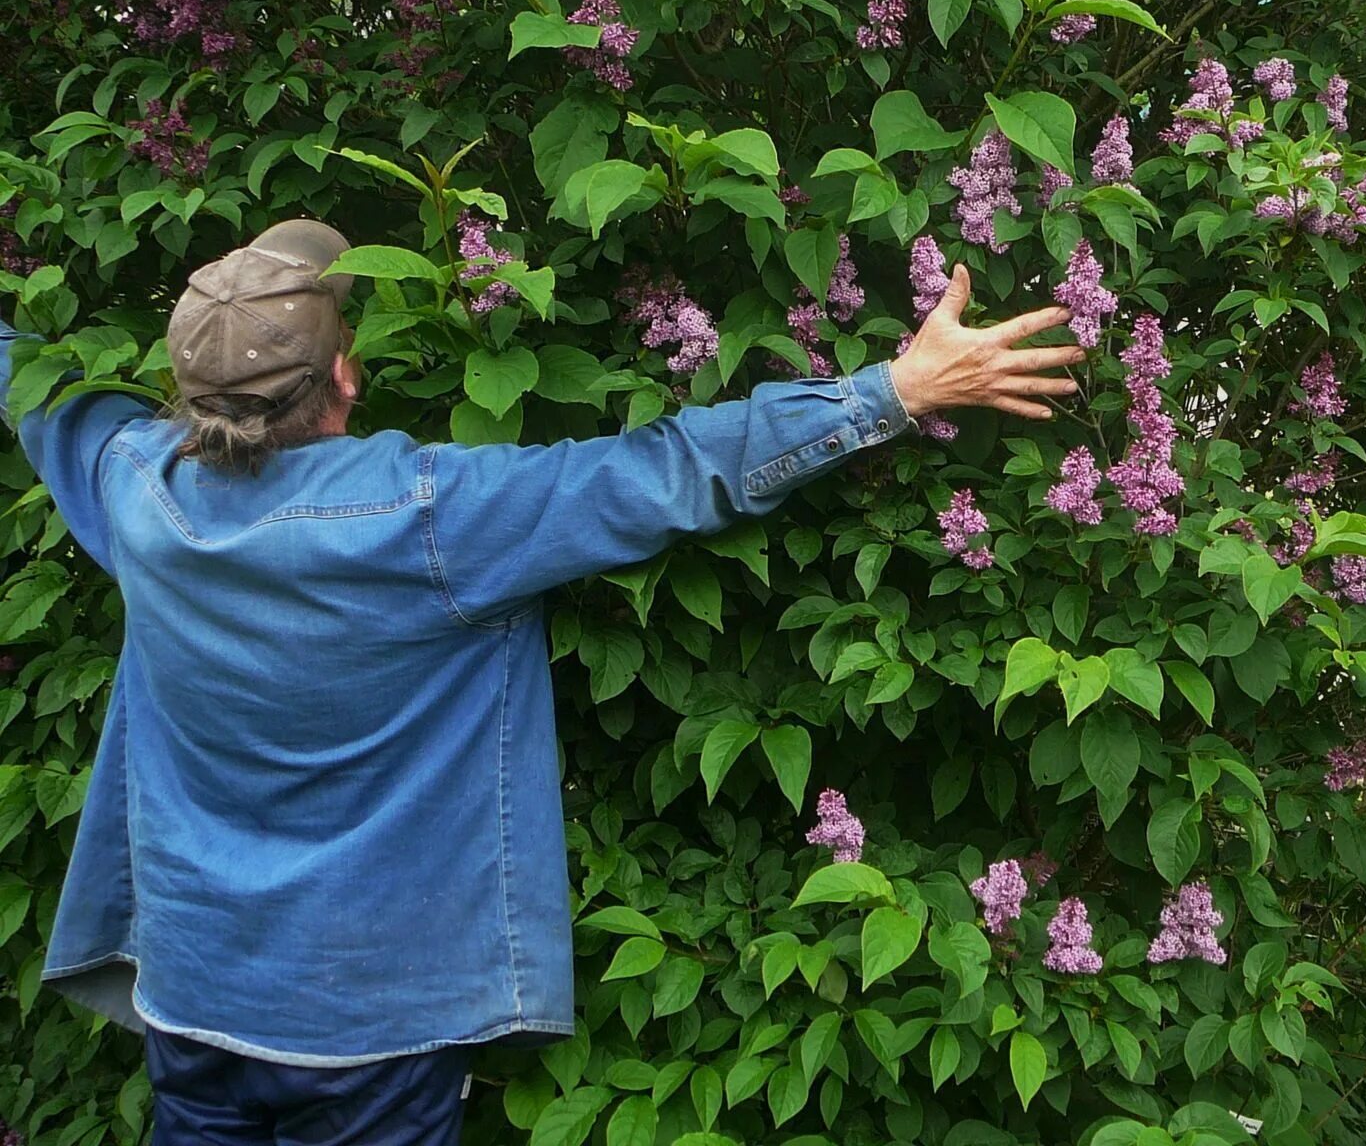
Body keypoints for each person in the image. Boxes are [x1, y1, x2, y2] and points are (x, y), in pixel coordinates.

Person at [1, 220, 1081, 1145]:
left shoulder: (134, 482)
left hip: (191, 995)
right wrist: (898, 387)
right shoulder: (430, 515)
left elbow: (28, 384)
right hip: (376, 1025)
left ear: (189, 391)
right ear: (346, 375)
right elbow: (668, 471)